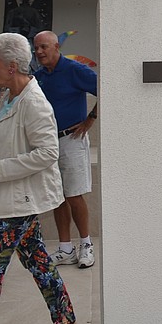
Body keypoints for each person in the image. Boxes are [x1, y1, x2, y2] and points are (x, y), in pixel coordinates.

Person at [0, 33, 79, 324]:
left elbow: (48, 153)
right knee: (38, 261)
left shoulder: (34, 103)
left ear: (11, 66)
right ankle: (66, 323)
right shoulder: (9, 97)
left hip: (20, 200)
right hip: (12, 197)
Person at [33, 30, 98, 268]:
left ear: (56, 47)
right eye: (36, 48)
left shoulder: (75, 70)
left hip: (72, 139)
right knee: (57, 195)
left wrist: (91, 119)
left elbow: (107, 89)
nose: (39, 52)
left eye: (44, 47)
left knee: (74, 194)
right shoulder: (38, 76)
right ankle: (65, 248)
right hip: (48, 142)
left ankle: (86, 245)